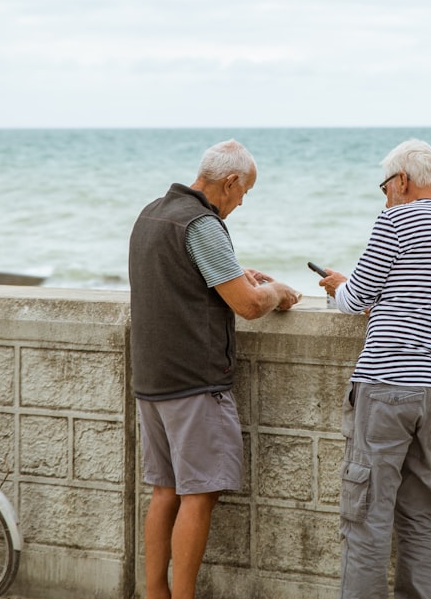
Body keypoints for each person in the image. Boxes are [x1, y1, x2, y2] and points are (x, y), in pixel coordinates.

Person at [128, 139, 301, 599]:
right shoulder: (202, 224)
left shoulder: (152, 213)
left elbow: (182, 280)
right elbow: (247, 306)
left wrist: (238, 274)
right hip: (193, 382)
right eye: (243, 193)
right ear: (229, 182)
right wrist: (278, 292)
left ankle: (155, 594)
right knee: (198, 496)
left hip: (151, 380)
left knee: (164, 492)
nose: (241, 203)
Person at [317, 138, 431, 599]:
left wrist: (337, 286)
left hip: (387, 385)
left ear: (403, 180)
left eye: (385, 184)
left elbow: (355, 301)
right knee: (421, 516)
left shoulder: (395, 219)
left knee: (366, 513)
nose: (384, 194)